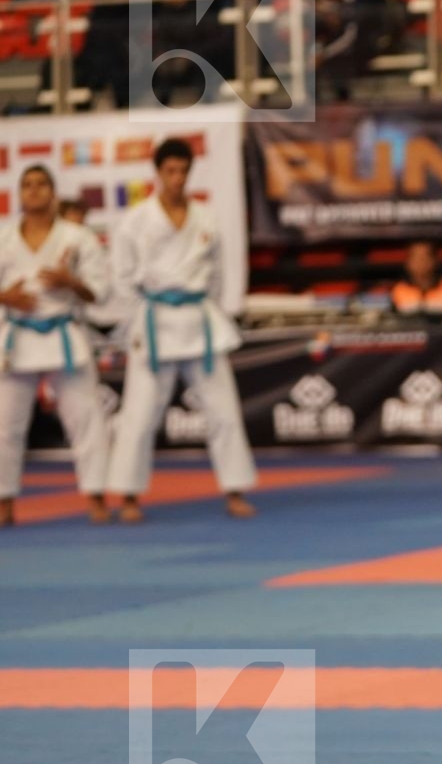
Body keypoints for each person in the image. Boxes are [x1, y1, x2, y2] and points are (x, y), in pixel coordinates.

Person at [105, 139, 257, 523]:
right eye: (169, 171)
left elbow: (219, 275)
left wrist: (215, 312)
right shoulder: (136, 220)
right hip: (155, 322)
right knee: (139, 415)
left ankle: (234, 489)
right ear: (157, 173)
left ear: (190, 172)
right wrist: (138, 320)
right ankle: (128, 495)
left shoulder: (205, 217)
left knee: (223, 411)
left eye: (182, 171)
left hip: (198, 321)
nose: (176, 178)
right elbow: (122, 280)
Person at [0, 166, 112, 527]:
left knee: (87, 420)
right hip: (18, 337)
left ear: (53, 192)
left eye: (41, 185)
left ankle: (96, 496)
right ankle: (4, 502)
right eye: (27, 185)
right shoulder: (3, 237)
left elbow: (100, 292)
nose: (33, 191)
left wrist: (71, 281)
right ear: (20, 194)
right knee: (5, 427)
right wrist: (5, 297)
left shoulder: (77, 237)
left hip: (65, 336)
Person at [390, 240, 442, 317]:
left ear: (435, 260)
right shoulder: (398, 290)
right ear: (408, 262)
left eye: (425, 257)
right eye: (416, 258)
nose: (421, 263)